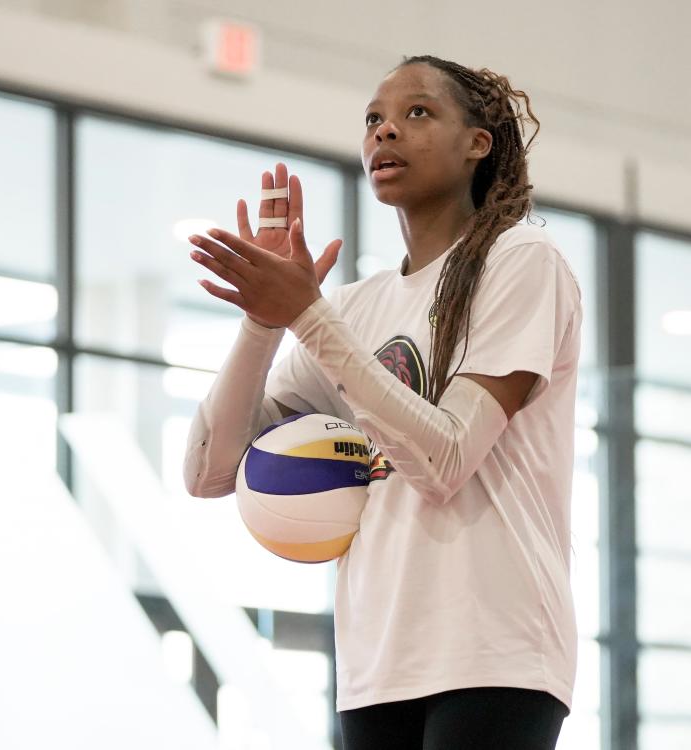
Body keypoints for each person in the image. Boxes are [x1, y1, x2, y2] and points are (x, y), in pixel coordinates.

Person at [182, 54, 582, 750]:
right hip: (375, 663)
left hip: (498, 651)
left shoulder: (523, 262)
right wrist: (263, 323)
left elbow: (447, 456)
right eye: (373, 120)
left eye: (416, 113)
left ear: (476, 144)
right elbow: (208, 472)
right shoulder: (353, 308)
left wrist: (307, 315)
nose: (385, 132)